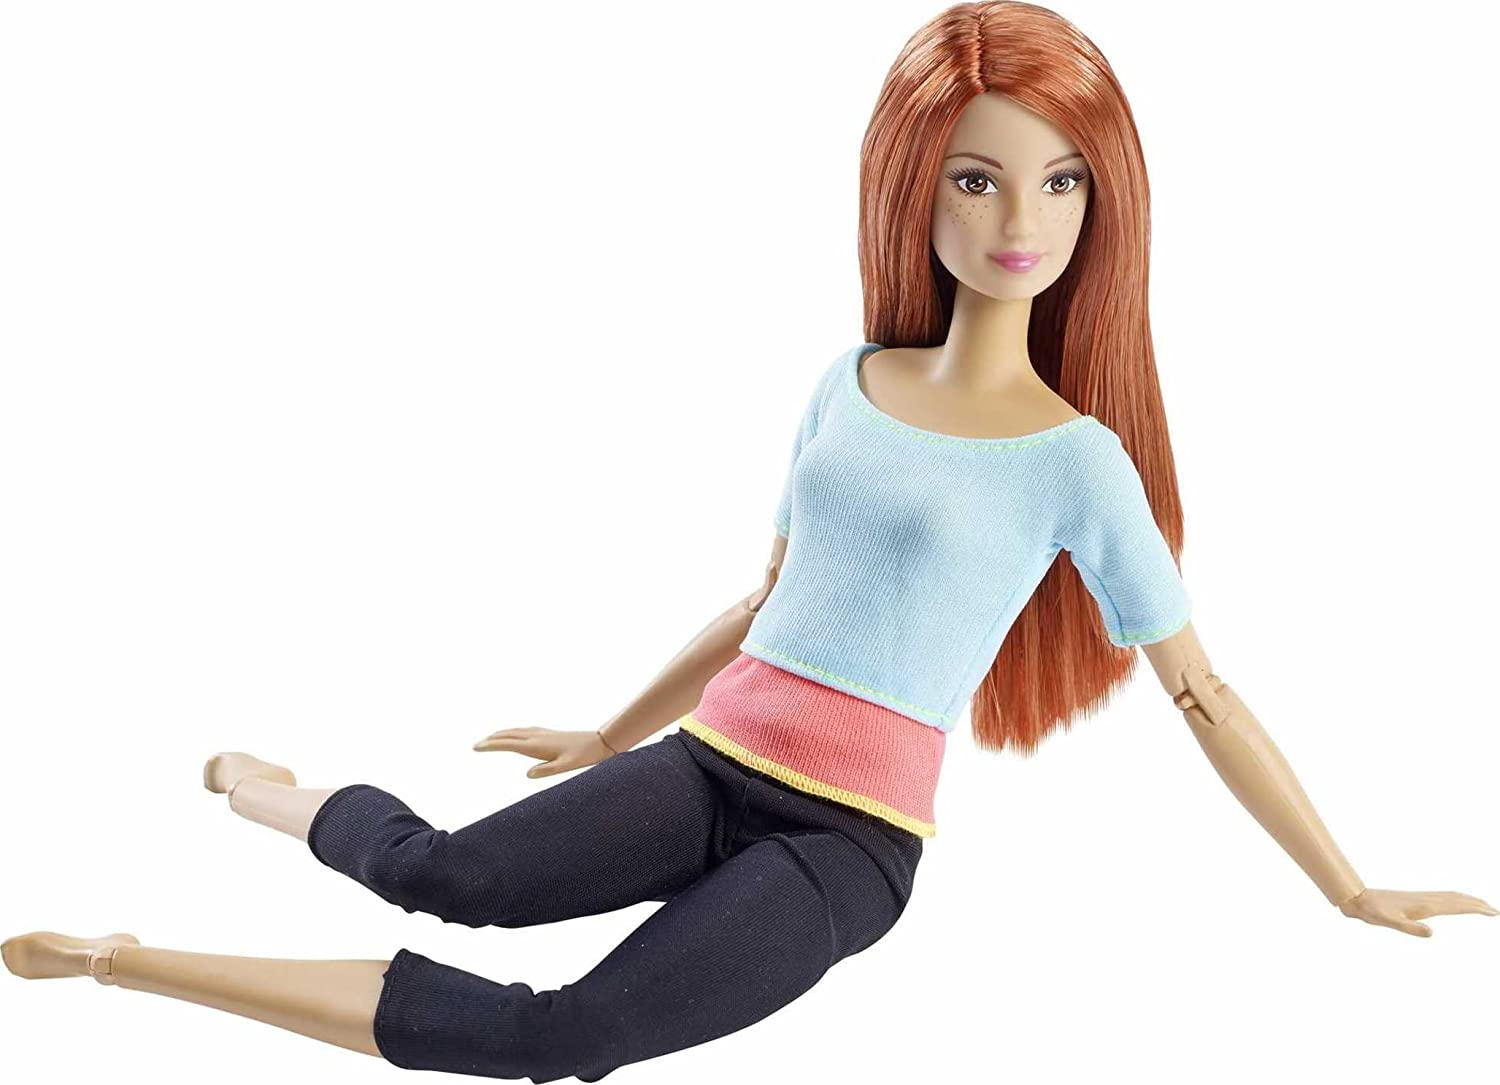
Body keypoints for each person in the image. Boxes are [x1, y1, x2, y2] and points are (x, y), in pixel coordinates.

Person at [4, 2, 1493, 1081]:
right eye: (978, 177)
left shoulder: (1077, 464)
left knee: (564, 1035)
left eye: (1062, 180)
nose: (1021, 217)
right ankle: (264, 788)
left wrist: (1345, 883)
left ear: (1104, 201)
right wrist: (610, 730)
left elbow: (1202, 693)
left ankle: (125, 964)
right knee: (444, 872)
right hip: (709, 762)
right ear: (917, 186)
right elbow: (769, 596)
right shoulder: (850, 382)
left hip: (847, 847)